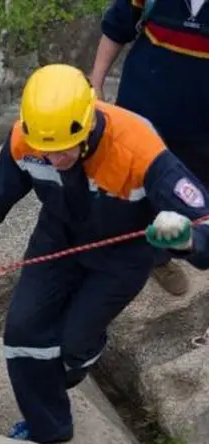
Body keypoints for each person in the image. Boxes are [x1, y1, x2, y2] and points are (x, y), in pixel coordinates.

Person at [0, 64, 209, 444]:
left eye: (63, 150)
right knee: (22, 332)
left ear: (87, 124)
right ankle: (48, 429)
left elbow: (203, 218)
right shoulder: (27, 140)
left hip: (122, 255)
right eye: (46, 150)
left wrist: (186, 240)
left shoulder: (138, 147)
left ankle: (79, 359)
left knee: (72, 349)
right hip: (56, 238)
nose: (54, 160)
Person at [89, 0, 209, 296]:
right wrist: (96, 86)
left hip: (202, 128)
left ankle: (172, 251)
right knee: (131, 188)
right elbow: (117, 27)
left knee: (194, 196)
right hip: (142, 109)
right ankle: (147, 258)